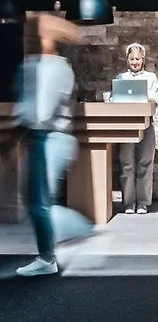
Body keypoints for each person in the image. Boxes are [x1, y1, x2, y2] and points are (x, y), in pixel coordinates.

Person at [12, 14, 82, 277]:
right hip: (37, 138)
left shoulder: (58, 68)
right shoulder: (31, 65)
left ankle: (53, 252)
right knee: (34, 201)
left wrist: (22, 128)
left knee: (39, 203)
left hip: (51, 139)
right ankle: (49, 253)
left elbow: (43, 111)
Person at [116, 43, 158, 214]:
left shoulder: (151, 77)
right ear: (127, 60)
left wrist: (141, 96)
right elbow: (114, 99)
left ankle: (142, 202)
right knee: (127, 164)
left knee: (145, 163)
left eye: (138, 59)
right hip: (126, 125)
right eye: (132, 59)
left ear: (143, 60)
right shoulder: (121, 78)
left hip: (146, 124)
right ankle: (129, 203)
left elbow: (156, 99)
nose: (135, 62)